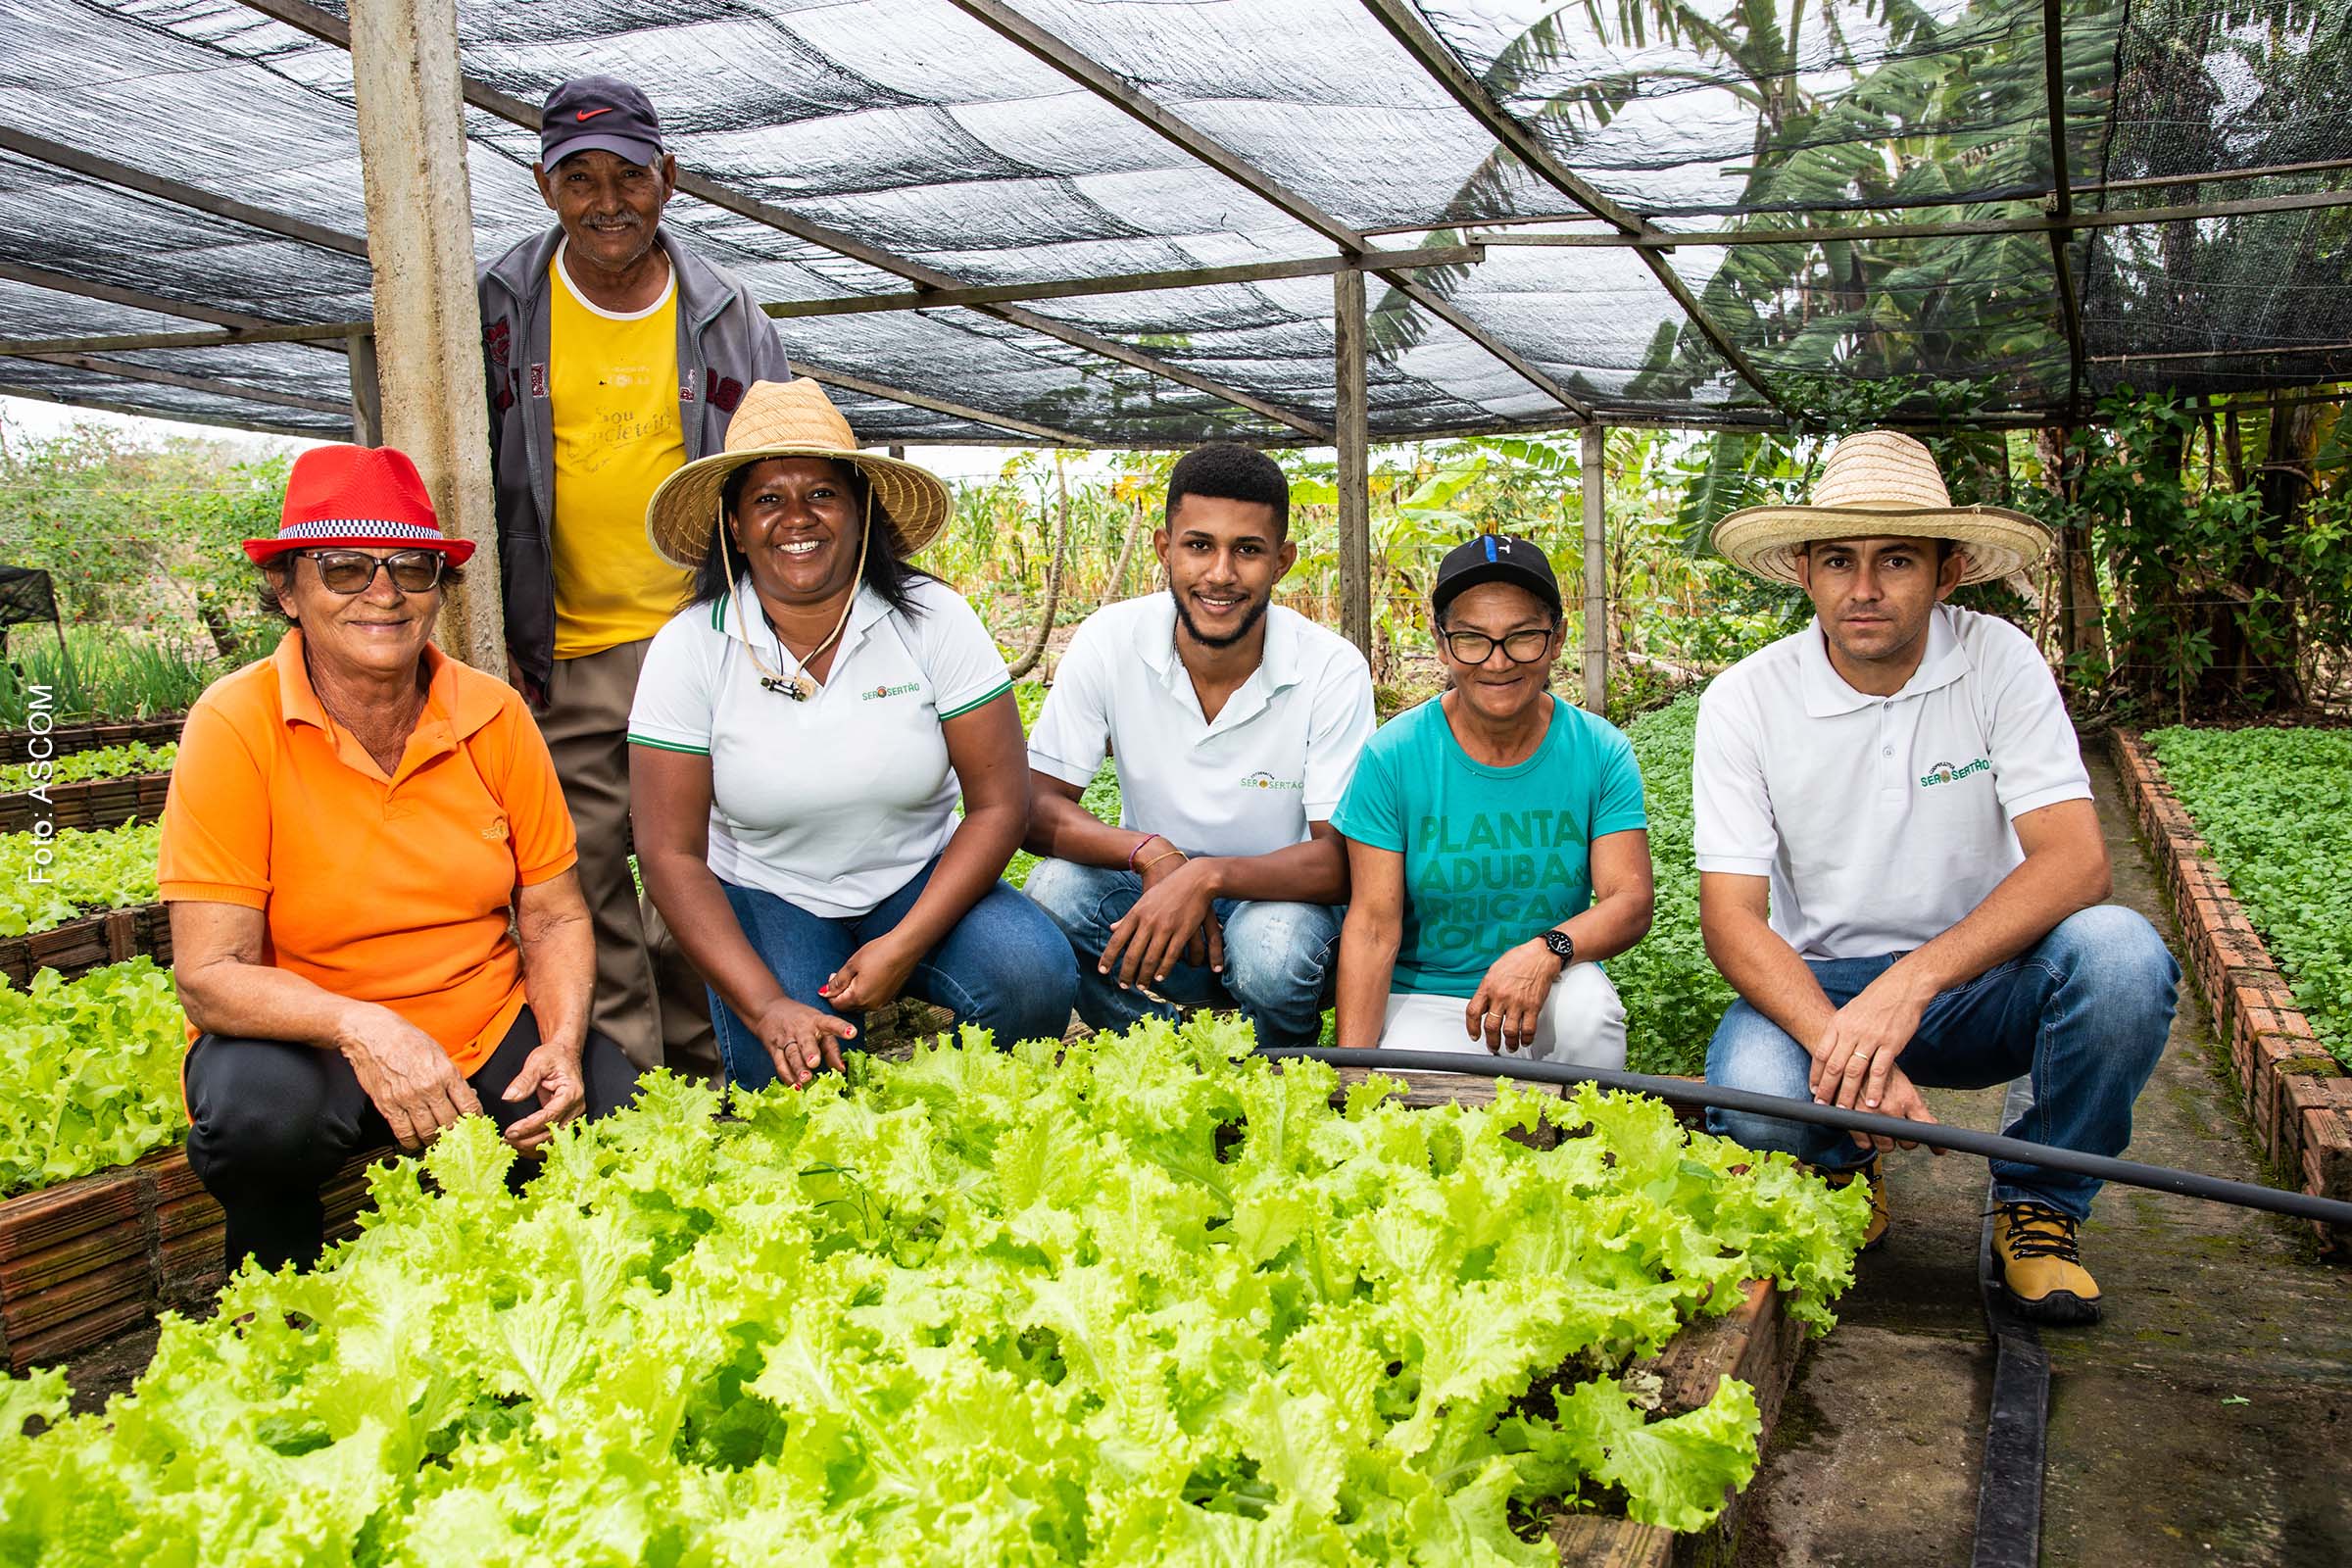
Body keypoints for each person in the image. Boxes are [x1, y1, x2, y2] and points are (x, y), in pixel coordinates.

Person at [1694, 430, 2177, 1325]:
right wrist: (1845, 1044)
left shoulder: (1998, 662)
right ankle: (1845, 1162)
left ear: (1947, 573)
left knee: (2121, 959)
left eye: (1897, 559)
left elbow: (2077, 861)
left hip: (1986, 980)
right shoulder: (1745, 700)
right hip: (1824, 987)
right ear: (1804, 571)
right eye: (1838, 559)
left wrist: (1910, 984)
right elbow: (1731, 918)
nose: (1864, 589)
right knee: (1757, 1102)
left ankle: (2040, 1202)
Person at [163, 445, 637, 1275]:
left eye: (412, 567)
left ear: (437, 589)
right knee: (260, 1120)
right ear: (287, 590)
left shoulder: (494, 715)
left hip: (477, 1021)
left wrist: (561, 1041)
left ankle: (521, 1287)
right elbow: (210, 974)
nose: (383, 593)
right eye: (345, 568)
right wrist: (365, 1025)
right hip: (308, 1038)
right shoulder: (234, 722)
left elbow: (555, 916)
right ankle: (277, 1296)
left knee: (607, 1101)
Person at [628, 378, 1076, 1089]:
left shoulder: (932, 619)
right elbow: (668, 854)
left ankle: (975, 1113)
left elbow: (1000, 805)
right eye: (767, 500)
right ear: (735, 527)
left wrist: (906, 943)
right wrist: (768, 1004)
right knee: (795, 1068)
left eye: (822, 494)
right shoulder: (690, 646)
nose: (797, 518)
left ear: (861, 511)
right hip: (771, 892)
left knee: (1031, 975)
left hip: (916, 878)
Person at [478, 74, 792, 1077]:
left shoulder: (724, 313)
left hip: (700, 643)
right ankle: (630, 1086)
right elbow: (463, 462)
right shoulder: (503, 306)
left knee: (700, 865)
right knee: (585, 875)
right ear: (545, 187)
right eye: (580, 179)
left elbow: (784, 460)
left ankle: (711, 1071)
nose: (606, 201)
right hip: (563, 651)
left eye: (629, 176)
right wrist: (492, 637)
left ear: (669, 178)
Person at [1022, 444, 1375, 1049]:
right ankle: (1160, 1051)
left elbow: (1341, 861)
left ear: (1282, 561)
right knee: (1053, 894)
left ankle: (1280, 1063)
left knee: (1271, 950)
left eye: (1248, 550)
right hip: (1152, 897)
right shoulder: (1110, 639)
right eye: (1199, 545)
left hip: (1286, 906)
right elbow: (1035, 806)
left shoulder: (1330, 668)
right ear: (1165, 549)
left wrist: (1206, 876)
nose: (1220, 574)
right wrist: (1152, 854)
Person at [1331, 535, 1652, 1064]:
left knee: (1590, 1017)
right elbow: (1372, 927)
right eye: (1472, 639)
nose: (1497, 662)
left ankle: (1581, 1120)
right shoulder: (1394, 755)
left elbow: (1630, 901)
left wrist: (1546, 951)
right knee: (1416, 1096)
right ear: (1442, 643)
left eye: (1522, 637)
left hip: (1552, 982)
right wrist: (1353, 1072)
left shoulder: (1598, 749)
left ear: (1557, 639)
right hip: (1430, 997)